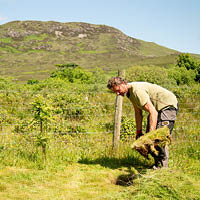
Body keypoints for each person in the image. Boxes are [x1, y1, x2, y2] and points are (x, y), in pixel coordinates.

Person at [107, 77, 178, 169]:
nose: (117, 93)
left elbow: (153, 112)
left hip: (167, 106)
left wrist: (151, 135)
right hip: (156, 109)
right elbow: (138, 112)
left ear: (123, 83)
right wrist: (139, 132)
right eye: (115, 92)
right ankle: (157, 164)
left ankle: (164, 168)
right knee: (148, 140)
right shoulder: (129, 93)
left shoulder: (137, 91)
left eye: (118, 90)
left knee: (158, 138)